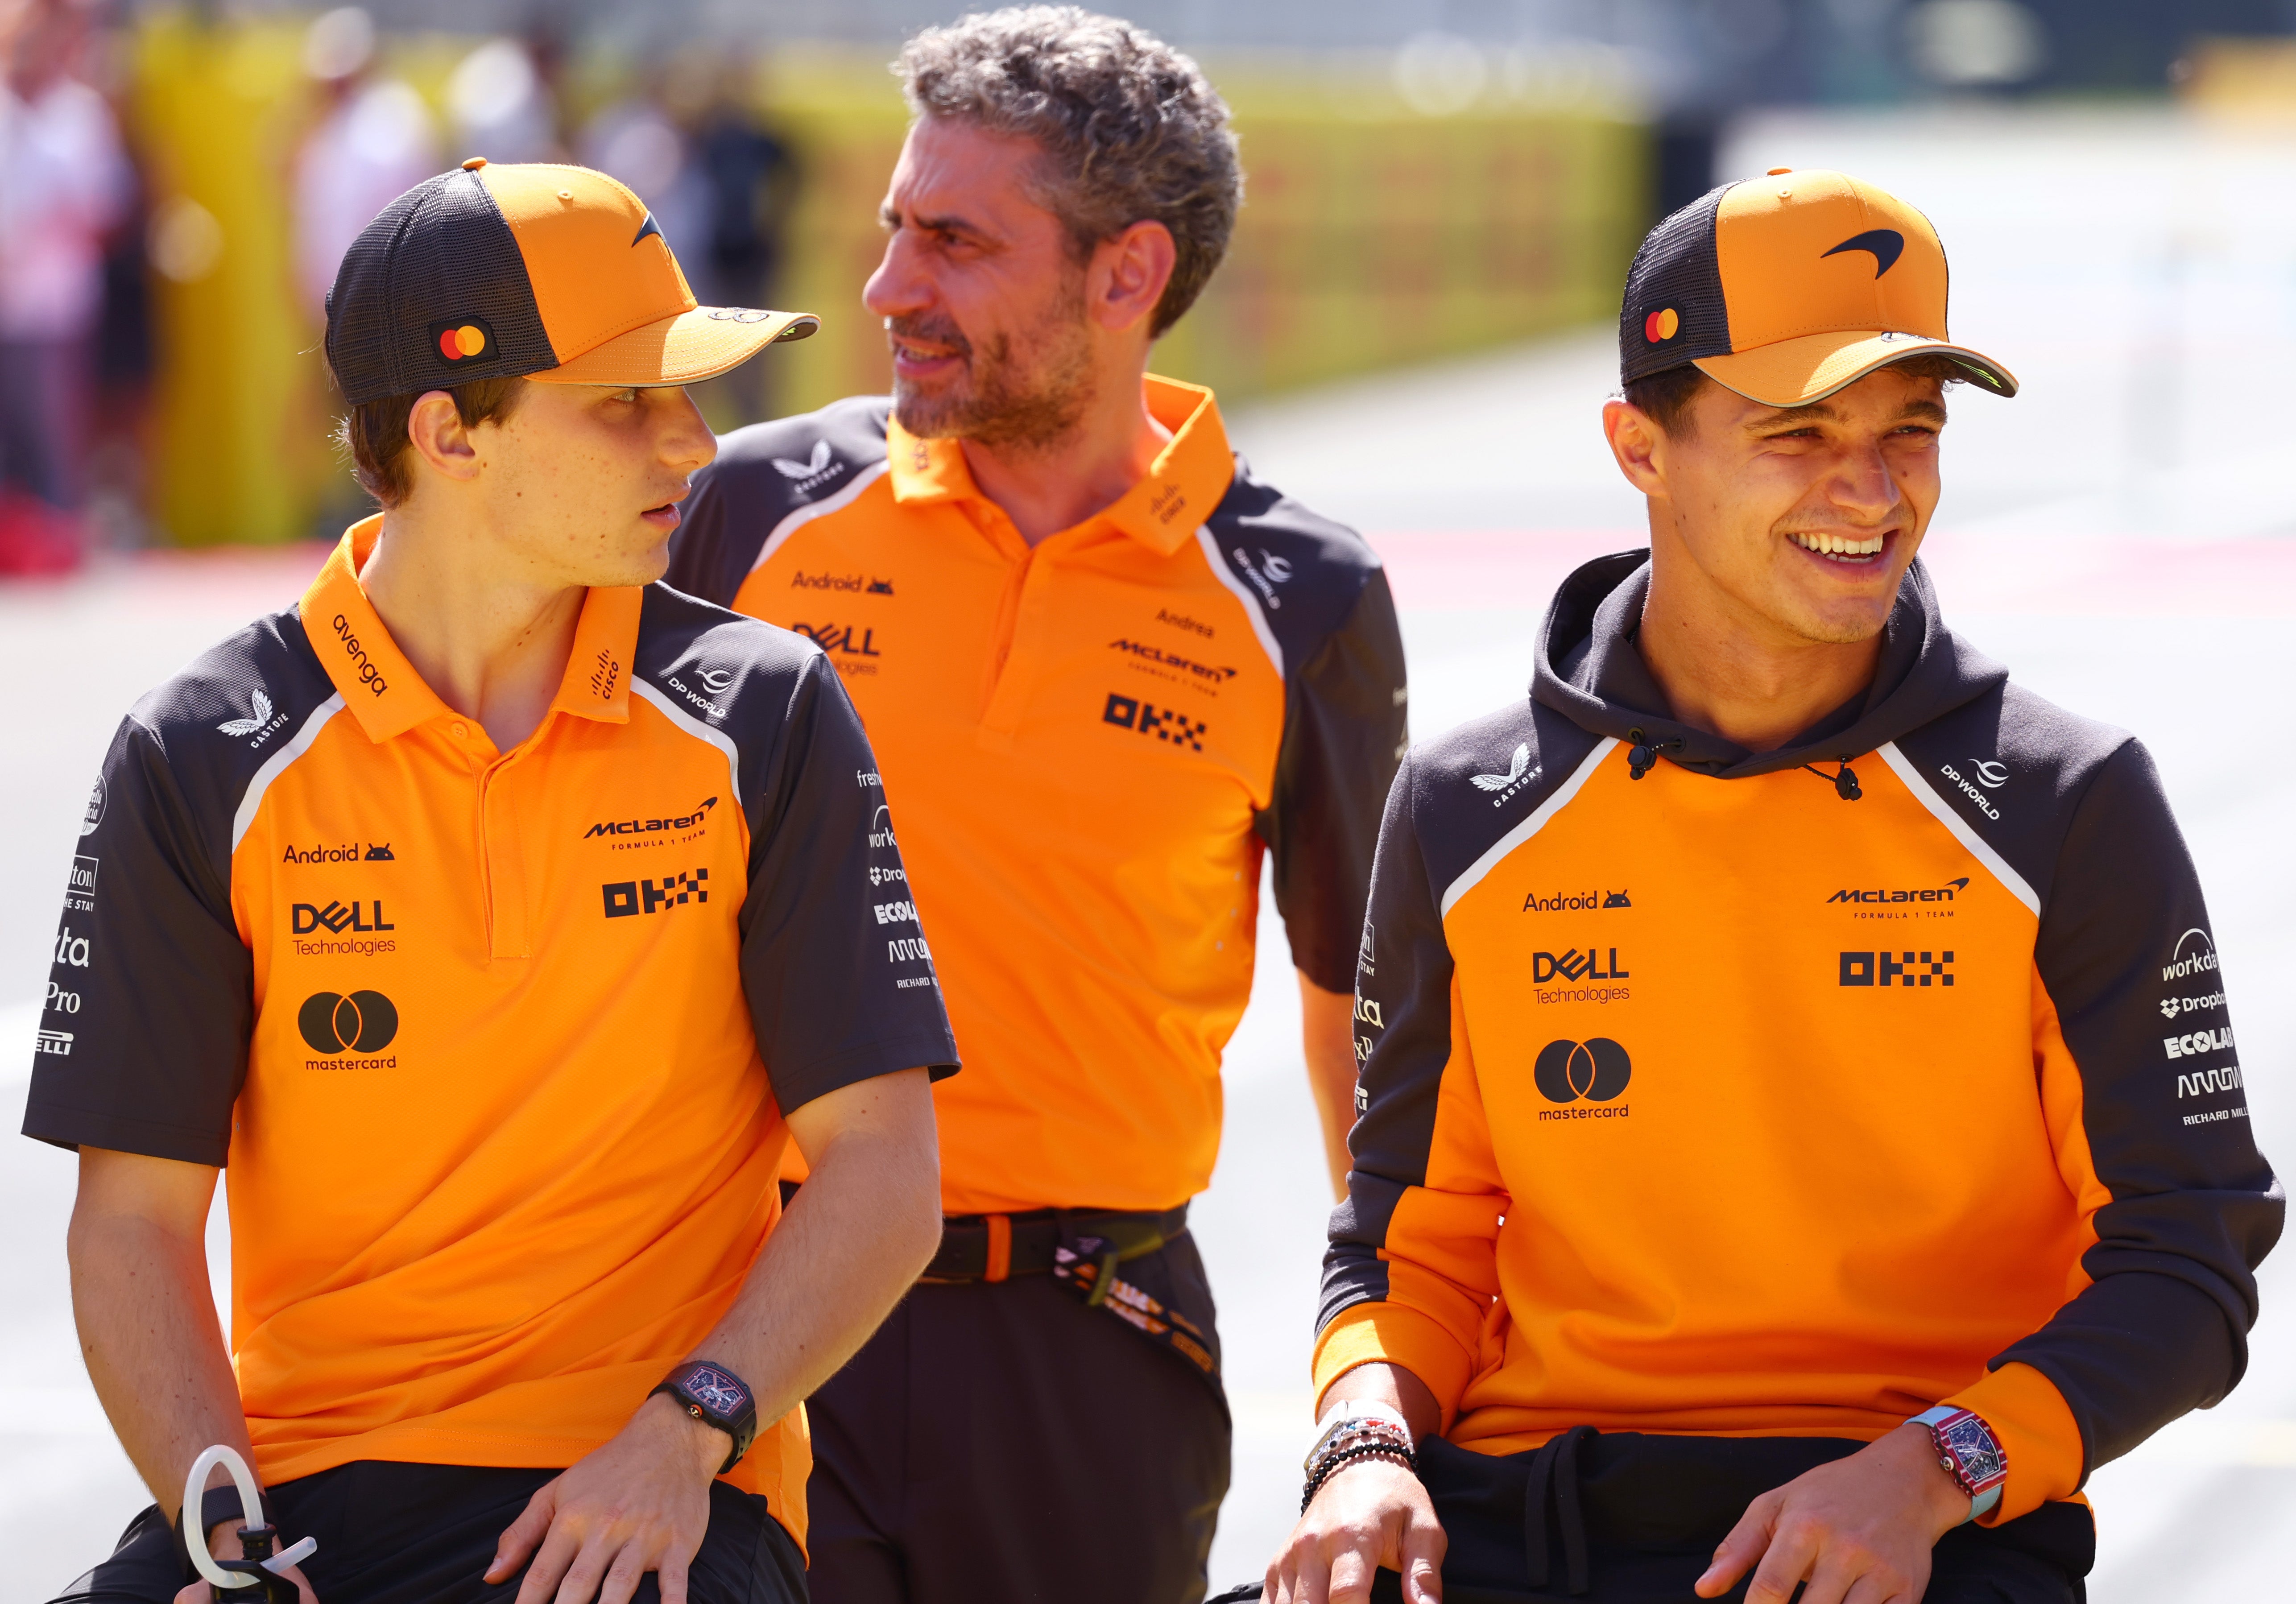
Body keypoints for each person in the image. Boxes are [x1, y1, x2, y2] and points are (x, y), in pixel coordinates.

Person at [1261, 169, 2282, 1604]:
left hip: (1915, 1528)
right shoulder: (1462, 805)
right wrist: (1360, 1447)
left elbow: (2185, 1256)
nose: (1870, 490)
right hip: (1523, 1514)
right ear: (1639, 445)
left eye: (1907, 430)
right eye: (1798, 434)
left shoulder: (2065, 798)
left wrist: (1930, 1471)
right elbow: (1404, 1244)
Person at [28, 159, 959, 1604]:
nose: (692, 443)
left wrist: (687, 1431)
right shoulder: (202, 747)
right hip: (300, 1495)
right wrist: (229, 1545)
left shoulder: (764, 708)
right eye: (626, 402)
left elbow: (885, 1168)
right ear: (449, 432)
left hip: (654, 1486)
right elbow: (136, 1220)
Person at [664, 9, 1409, 1602]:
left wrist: (1384, 1393)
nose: (887, 287)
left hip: (1088, 1346)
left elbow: (1365, 1031)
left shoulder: (1304, 595)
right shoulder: (749, 512)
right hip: (747, 1321)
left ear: (1125, 273)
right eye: (893, 227)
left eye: (952, 242)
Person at [0, 0, 131, 570]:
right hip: (7, 305)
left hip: (55, 305)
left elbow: (108, 209)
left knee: (52, 432)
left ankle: (57, 548)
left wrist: (52, 221)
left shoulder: (80, 114)